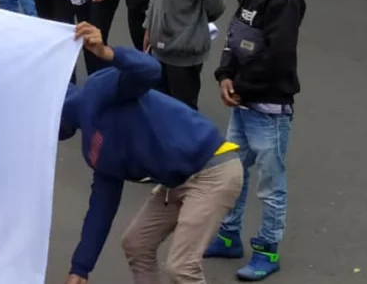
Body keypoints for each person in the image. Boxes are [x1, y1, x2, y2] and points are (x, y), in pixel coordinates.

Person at [60, 22, 243, 284]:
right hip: (178, 180)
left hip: (213, 168)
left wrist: (108, 53)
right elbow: (101, 207)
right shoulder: (93, 149)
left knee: (181, 268)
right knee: (136, 244)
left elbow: (149, 71)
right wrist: (80, 269)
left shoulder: (97, 91)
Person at [204, 0, 306, 281]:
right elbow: (235, 34)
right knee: (232, 172)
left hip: (269, 109)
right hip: (242, 105)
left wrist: (242, 86)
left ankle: (268, 248)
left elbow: (277, 58)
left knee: (270, 184)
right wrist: (225, 74)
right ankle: (229, 236)